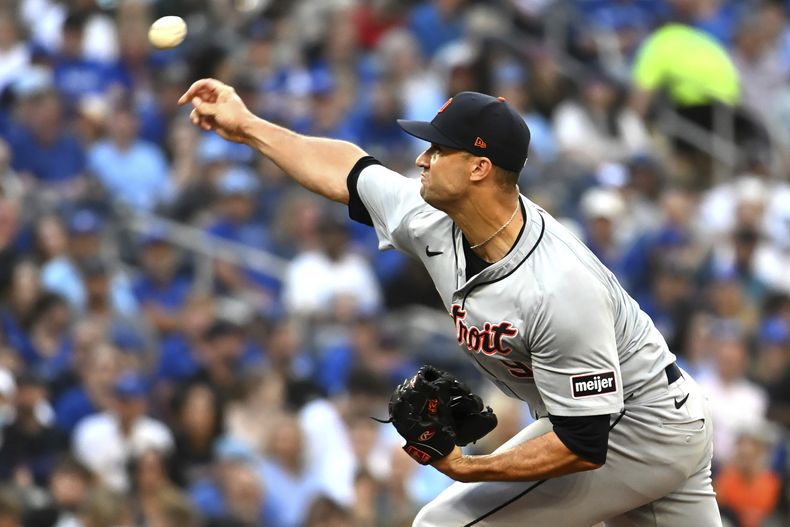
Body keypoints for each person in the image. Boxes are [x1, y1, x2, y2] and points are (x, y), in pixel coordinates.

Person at [179, 78, 722, 525]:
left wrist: (471, 467)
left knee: (444, 524)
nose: (421, 160)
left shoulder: (558, 285)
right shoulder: (433, 217)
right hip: (659, 420)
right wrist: (248, 125)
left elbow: (583, 444)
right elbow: (348, 170)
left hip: (637, 428)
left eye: (438, 149)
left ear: (479, 168)